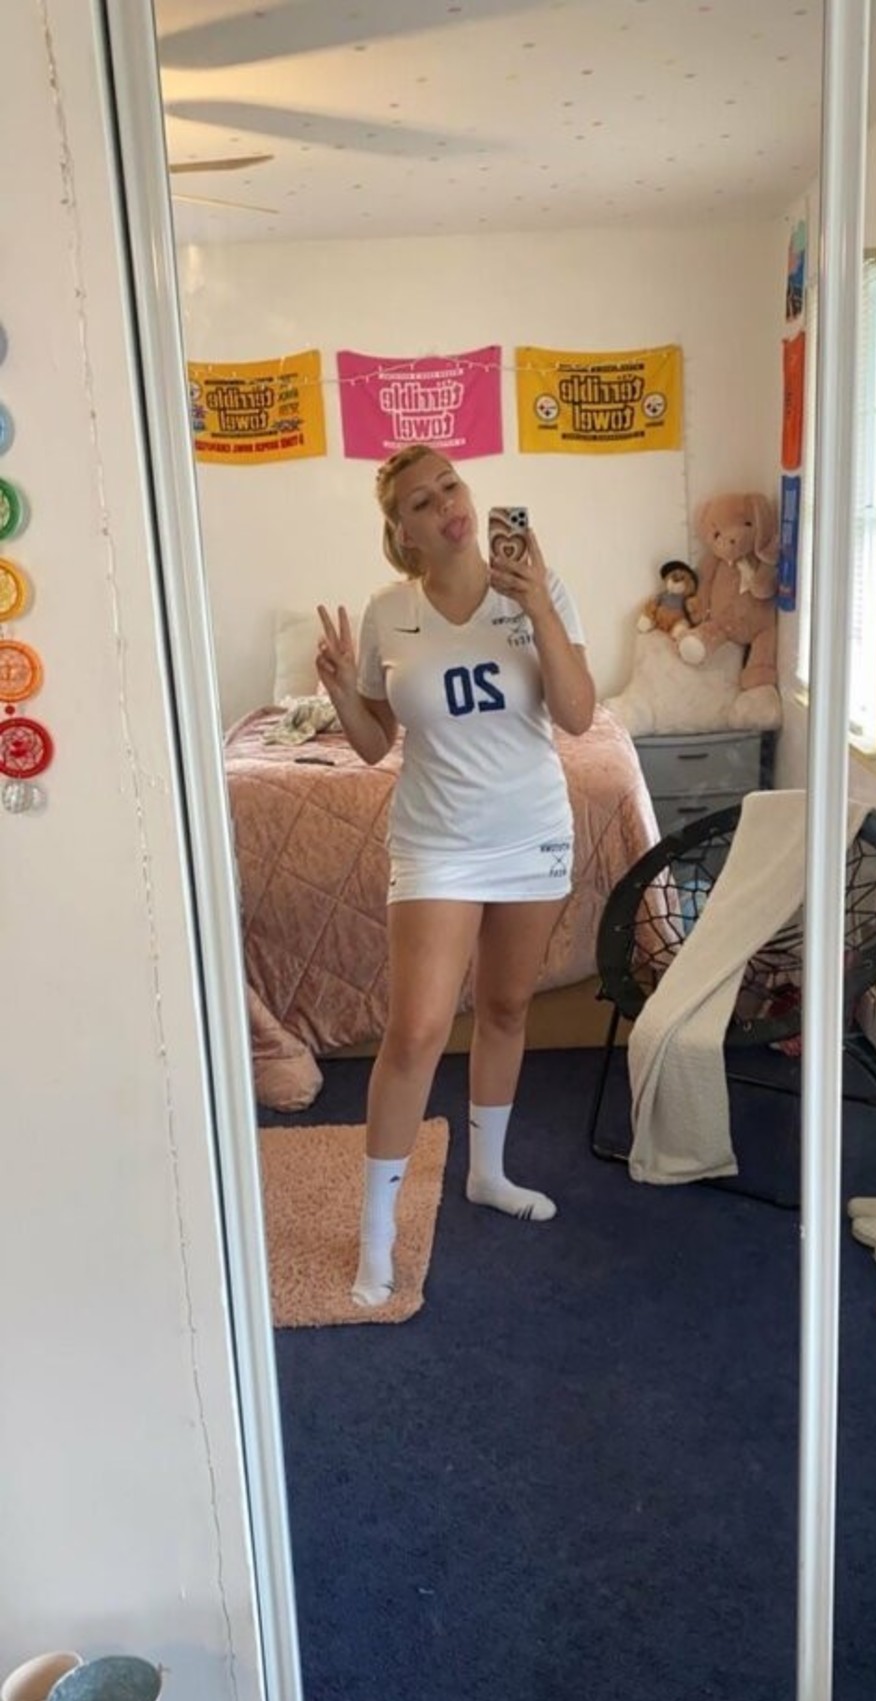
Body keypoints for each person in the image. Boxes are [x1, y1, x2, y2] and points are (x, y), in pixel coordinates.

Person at [315, 444, 596, 1307]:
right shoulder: (387, 612)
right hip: (436, 842)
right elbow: (376, 744)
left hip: (532, 834)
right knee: (416, 1030)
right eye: (420, 501)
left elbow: (579, 716)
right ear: (402, 531)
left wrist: (536, 604)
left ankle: (489, 1173)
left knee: (507, 1008)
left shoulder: (541, 591)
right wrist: (341, 690)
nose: (445, 504)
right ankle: (376, 1233)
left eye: (450, 485)